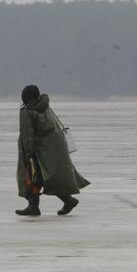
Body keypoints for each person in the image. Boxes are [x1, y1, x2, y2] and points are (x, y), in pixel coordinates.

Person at [16, 85, 90, 216]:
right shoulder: (45, 106)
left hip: (39, 151)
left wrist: (28, 156)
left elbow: (27, 136)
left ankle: (34, 206)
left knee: (31, 177)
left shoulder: (27, 111)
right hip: (55, 148)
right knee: (51, 177)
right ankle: (68, 200)